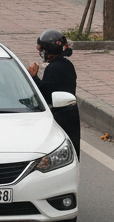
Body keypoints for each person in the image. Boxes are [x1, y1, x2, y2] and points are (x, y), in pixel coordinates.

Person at [28, 30, 81, 158]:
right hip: (70, 114)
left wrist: (34, 77)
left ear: (48, 50)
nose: (40, 53)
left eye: (42, 50)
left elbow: (45, 95)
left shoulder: (54, 69)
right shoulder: (66, 64)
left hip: (60, 117)